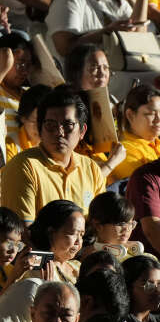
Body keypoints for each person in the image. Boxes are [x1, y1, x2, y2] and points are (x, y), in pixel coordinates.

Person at [0, 87, 106, 226]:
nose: (59, 132)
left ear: (82, 131)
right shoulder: (24, 166)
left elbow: (101, 226)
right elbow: (22, 233)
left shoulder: (92, 169)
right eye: (51, 125)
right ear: (40, 128)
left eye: (68, 125)